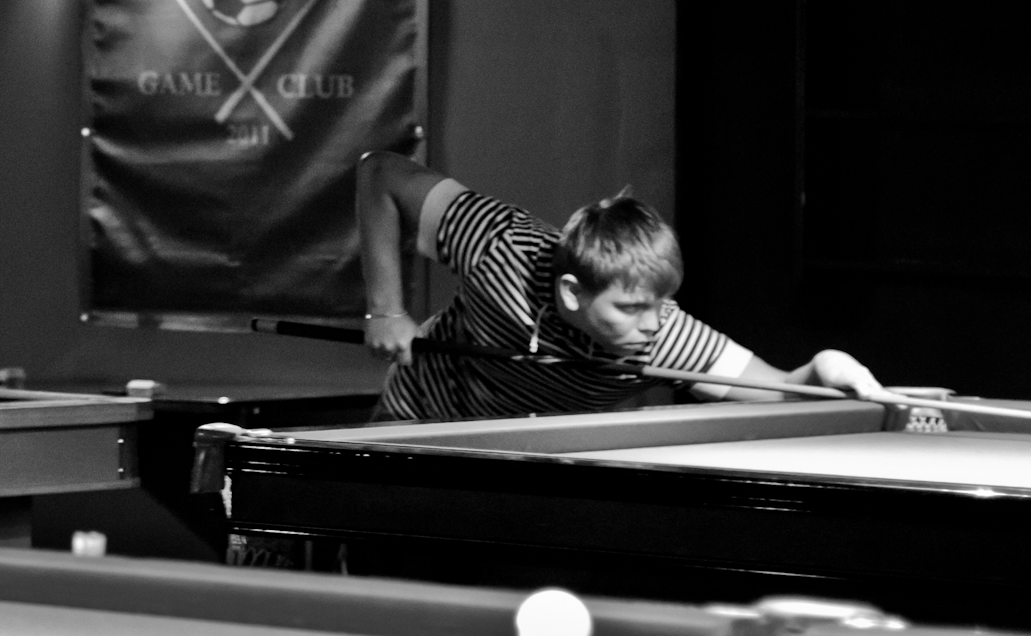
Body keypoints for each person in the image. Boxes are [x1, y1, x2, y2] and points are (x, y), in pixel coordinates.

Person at [355, 151, 884, 422]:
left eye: (661, 304)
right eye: (631, 308)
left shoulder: (664, 337)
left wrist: (823, 367)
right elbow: (379, 173)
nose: (652, 324)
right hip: (419, 419)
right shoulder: (502, 246)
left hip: (523, 459)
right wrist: (386, 310)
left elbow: (780, 392)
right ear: (571, 292)